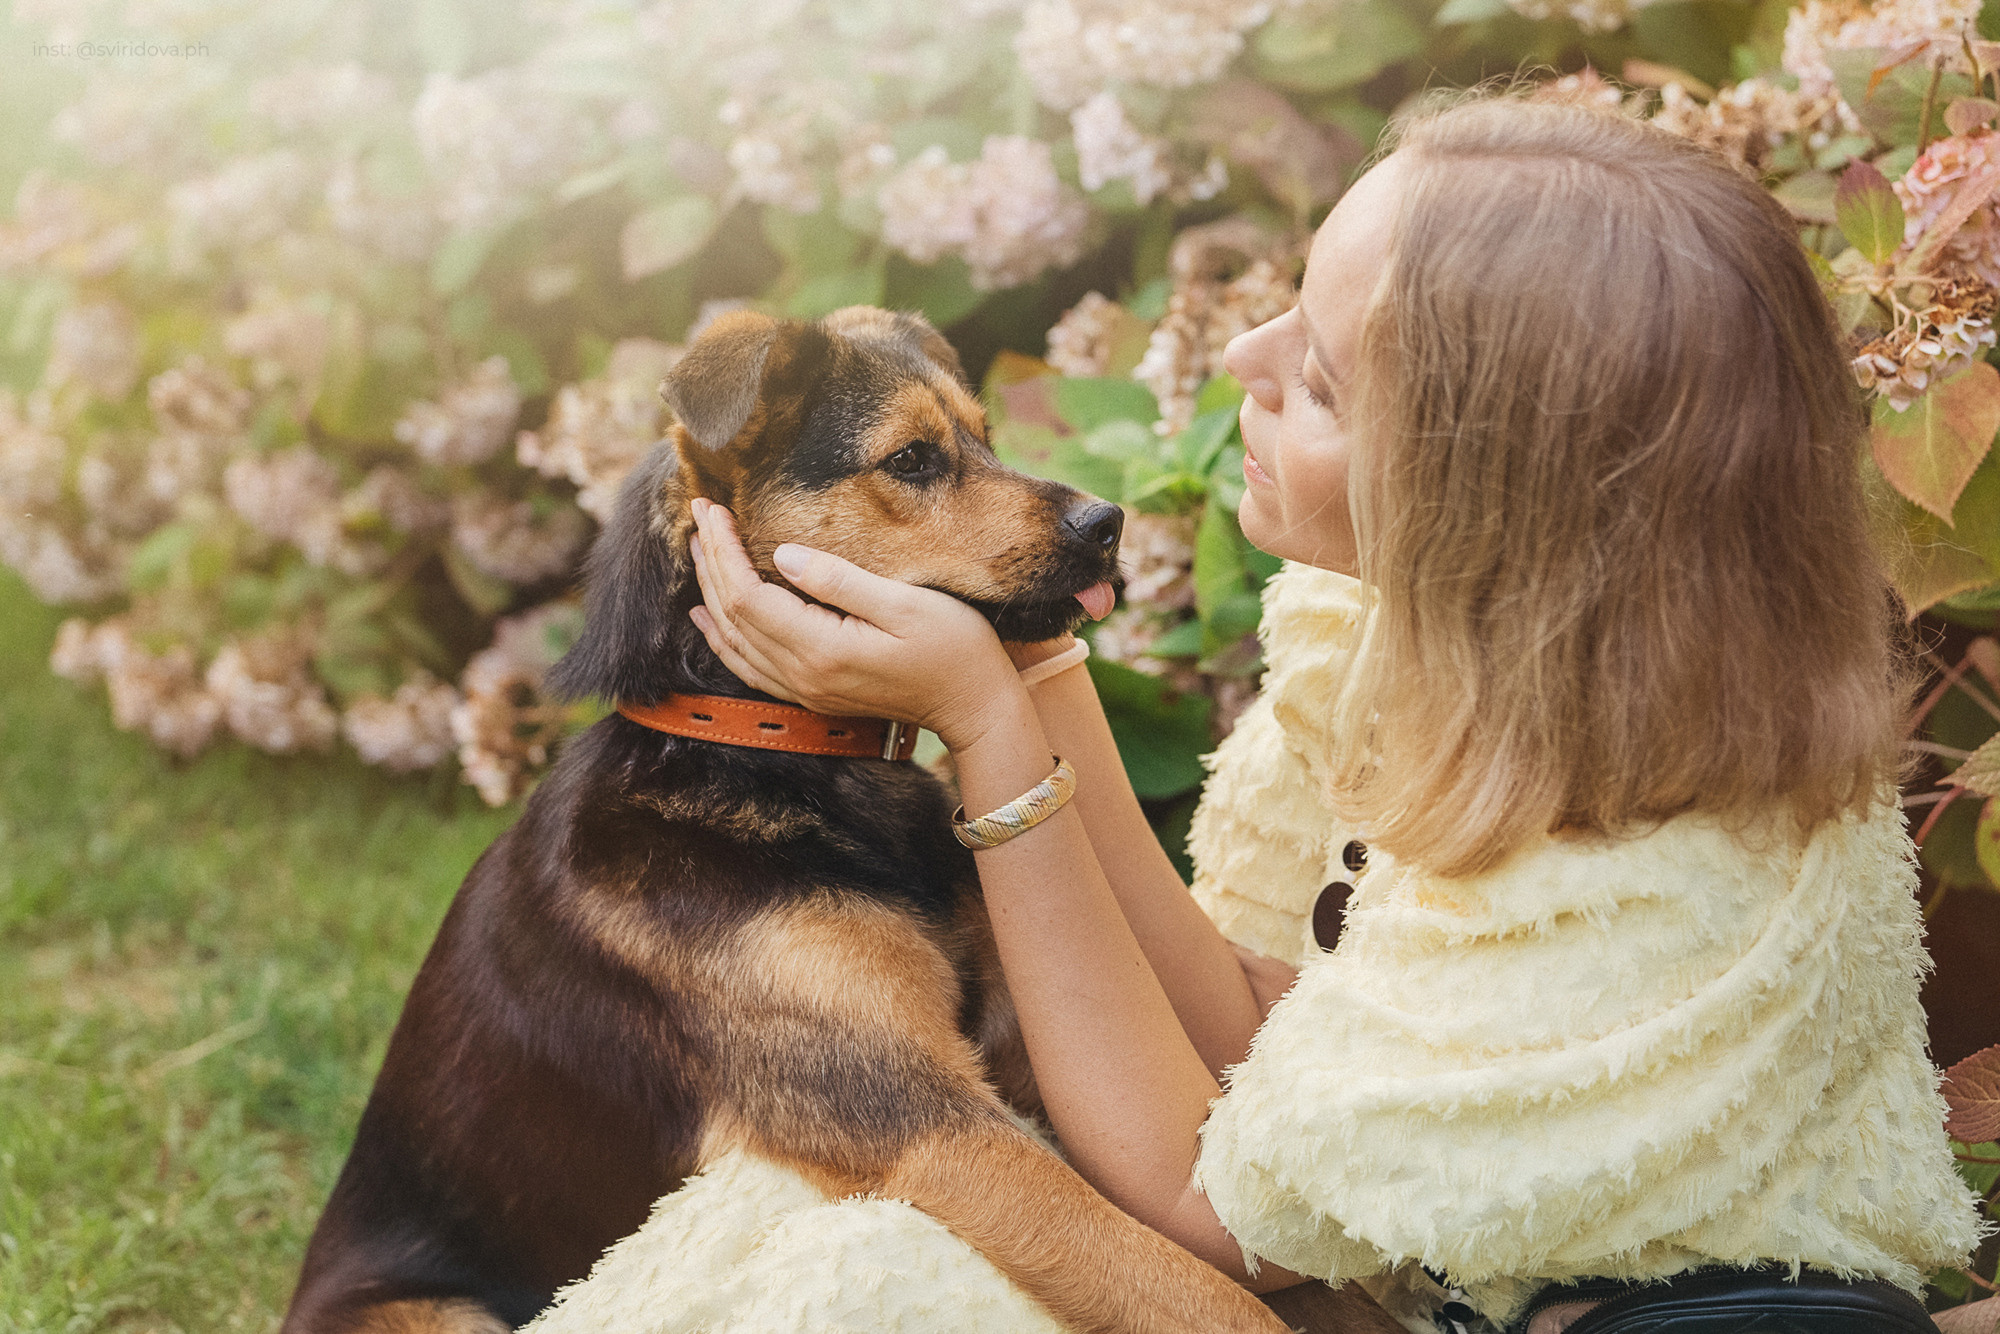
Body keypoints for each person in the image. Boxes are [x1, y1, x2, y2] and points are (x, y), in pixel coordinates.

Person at [550, 96, 1986, 1334]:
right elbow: (1255, 1029)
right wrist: (1035, 663)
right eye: (1286, 304)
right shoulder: (1455, 661)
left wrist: (989, 732)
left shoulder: (1655, 863)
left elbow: (1207, 1196)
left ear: (1475, 489)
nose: (1240, 352)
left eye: (1317, 379)